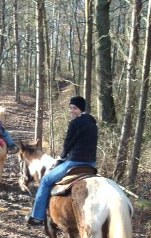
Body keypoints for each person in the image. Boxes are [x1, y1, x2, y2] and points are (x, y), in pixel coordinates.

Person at [25, 96, 98, 226]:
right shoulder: (92, 123)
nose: (71, 111)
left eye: (74, 108)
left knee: (46, 181)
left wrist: (60, 158)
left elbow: (67, 145)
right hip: (91, 164)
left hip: (75, 162)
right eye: (70, 107)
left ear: (81, 108)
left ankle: (36, 216)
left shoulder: (74, 123)